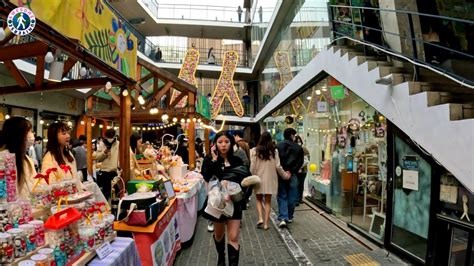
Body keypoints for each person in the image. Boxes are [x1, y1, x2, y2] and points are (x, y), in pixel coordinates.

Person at [201, 131, 250, 266]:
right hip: (217, 204)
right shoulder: (209, 159)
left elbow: (245, 179)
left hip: (234, 203)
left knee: (233, 237)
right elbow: (206, 176)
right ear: (215, 144)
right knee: (219, 234)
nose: (223, 145)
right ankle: (221, 257)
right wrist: (214, 160)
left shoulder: (237, 160)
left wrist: (232, 187)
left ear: (231, 143)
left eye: (227, 142)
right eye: (220, 142)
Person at [250, 132, 289, 230]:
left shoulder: (255, 150)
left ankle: (260, 218)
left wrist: (251, 175)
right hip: (270, 179)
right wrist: (285, 176)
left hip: (258, 178)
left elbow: (252, 166)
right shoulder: (274, 151)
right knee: (268, 201)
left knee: (258, 199)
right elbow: (278, 166)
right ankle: (266, 224)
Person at [0, 117, 37, 199]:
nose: (32, 134)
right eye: (29, 131)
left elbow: (33, 185)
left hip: (28, 208)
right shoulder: (3, 158)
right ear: (17, 134)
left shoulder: (26, 158)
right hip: (12, 209)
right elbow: (3, 194)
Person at [42, 122, 85, 190]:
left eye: (68, 133)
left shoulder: (69, 154)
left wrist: (82, 189)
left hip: (75, 196)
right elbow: (48, 184)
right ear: (54, 136)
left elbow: (75, 177)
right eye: (64, 133)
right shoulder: (49, 157)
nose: (68, 136)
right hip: (61, 198)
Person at [276, 128, 304, 228]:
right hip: (293, 174)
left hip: (281, 174)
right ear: (292, 135)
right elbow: (300, 162)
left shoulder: (278, 146)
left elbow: (276, 161)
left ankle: (283, 217)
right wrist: (291, 171)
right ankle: (290, 216)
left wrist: (283, 171)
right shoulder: (298, 148)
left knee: (282, 195)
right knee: (292, 196)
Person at [94, 129, 120, 201]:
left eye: (111, 137)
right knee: (106, 193)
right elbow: (98, 158)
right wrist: (105, 152)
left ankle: (117, 208)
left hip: (115, 172)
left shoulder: (118, 144)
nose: (110, 139)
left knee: (117, 193)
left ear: (114, 136)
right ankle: (106, 208)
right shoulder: (102, 144)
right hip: (105, 172)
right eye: (108, 137)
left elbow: (121, 157)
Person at [295, 135, 310, 205]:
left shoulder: (304, 149)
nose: (298, 143)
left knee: (301, 184)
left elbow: (307, 160)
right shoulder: (293, 149)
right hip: (295, 170)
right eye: (297, 141)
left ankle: (299, 198)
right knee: (296, 184)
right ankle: (296, 199)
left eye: (299, 141)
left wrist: (299, 167)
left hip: (303, 170)